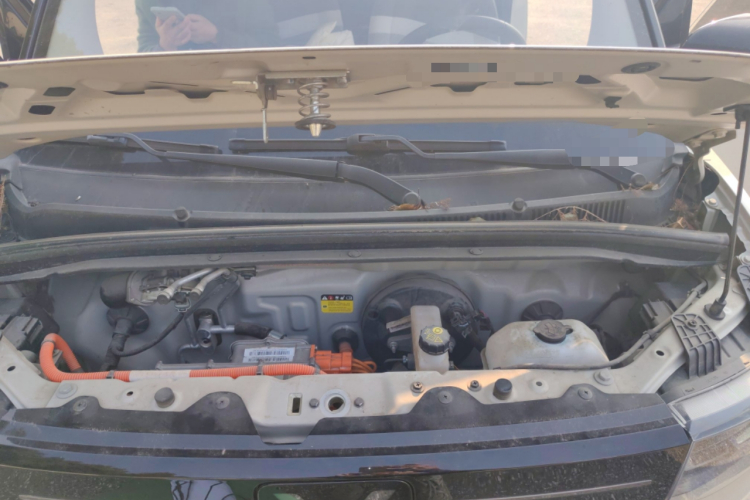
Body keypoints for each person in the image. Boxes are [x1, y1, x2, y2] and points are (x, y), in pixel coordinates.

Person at [135, 0, 279, 52]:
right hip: (175, 93)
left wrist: (217, 36)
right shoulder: (149, 2)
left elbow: (272, 48)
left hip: (240, 90)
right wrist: (165, 46)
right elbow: (143, 59)